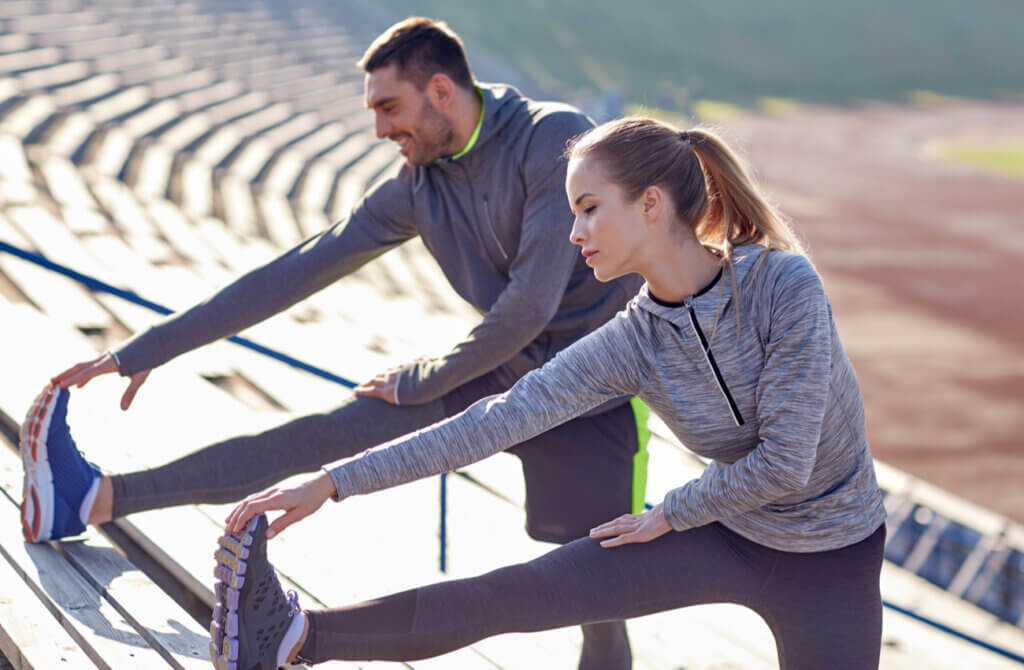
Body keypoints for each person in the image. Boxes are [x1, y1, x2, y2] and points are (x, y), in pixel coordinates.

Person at [27, 17, 645, 668]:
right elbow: (297, 269)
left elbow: (530, 305)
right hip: (497, 368)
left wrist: (423, 379)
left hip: (591, 393)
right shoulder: (420, 185)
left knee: (595, 600)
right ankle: (89, 498)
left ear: (440, 90)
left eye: (389, 107)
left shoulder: (553, 138)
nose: (379, 129)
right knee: (315, 439)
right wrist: (145, 349)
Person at [210, 117, 889, 670]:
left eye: (590, 209)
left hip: (831, 558)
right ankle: (295, 639)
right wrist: (330, 483)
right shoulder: (634, 341)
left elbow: (788, 461)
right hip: (724, 530)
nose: (574, 232)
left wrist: (673, 513)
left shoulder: (783, 286)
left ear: (651, 204)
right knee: (519, 594)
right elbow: (495, 421)